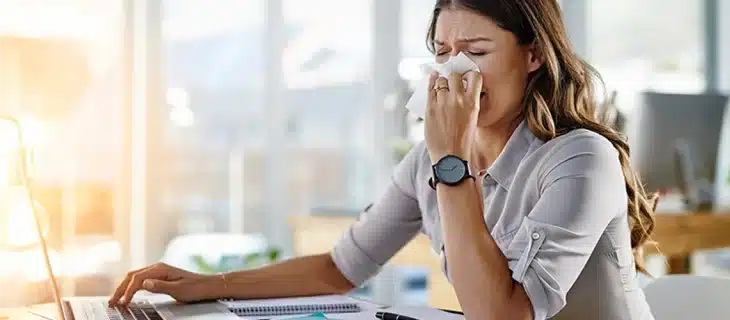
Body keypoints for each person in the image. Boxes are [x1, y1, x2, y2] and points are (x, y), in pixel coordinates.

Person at [110, 0, 657, 318]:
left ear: (534, 55)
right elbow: (338, 268)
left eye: (478, 53)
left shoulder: (581, 158)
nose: (454, 72)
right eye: (442, 53)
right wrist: (209, 284)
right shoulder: (430, 163)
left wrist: (452, 163)